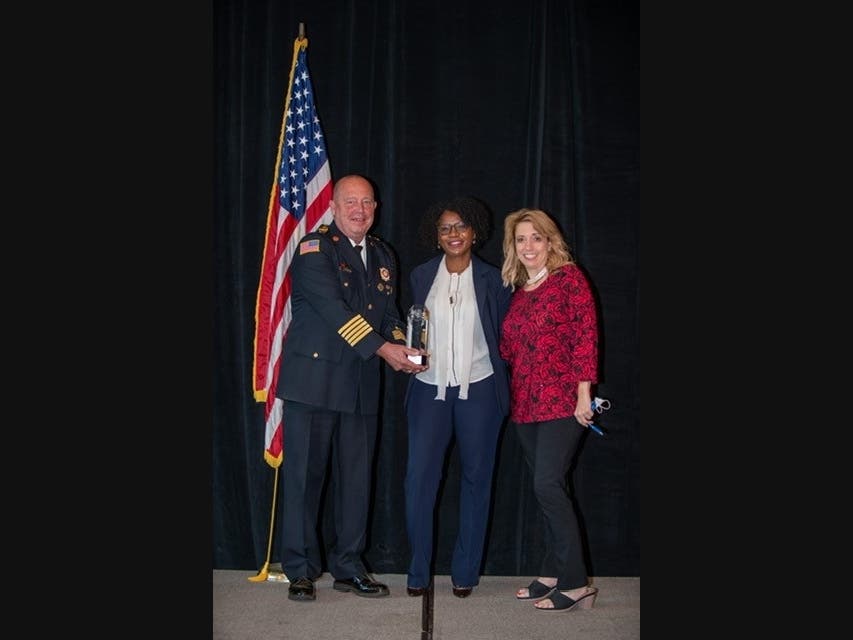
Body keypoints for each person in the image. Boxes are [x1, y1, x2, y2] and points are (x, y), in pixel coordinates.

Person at [276, 174, 428, 602]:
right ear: (335, 207)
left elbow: (389, 314)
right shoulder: (314, 249)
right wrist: (385, 350)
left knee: (357, 482)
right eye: (350, 202)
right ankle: (300, 570)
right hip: (314, 384)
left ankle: (348, 565)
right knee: (305, 480)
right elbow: (335, 312)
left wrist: (404, 343)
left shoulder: (382, 253)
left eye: (367, 202)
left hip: (360, 386)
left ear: (375, 208)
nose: (359, 210)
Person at [403, 196, 512, 599]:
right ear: (436, 234)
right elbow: (409, 329)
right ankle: (418, 570)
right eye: (446, 227)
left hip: (480, 390)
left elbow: (506, 337)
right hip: (428, 391)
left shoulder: (495, 279)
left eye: (461, 226)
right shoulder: (419, 276)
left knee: (476, 480)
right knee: (418, 481)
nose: (454, 234)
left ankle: (465, 572)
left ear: (475, 233)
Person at [498, 208, 600, 612]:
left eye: (535, 238)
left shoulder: (569, 279)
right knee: (547, 490)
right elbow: (509, 349)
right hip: (525, 405)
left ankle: (577, 583)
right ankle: (554, 570)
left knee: (547, 485)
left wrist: (583, 393)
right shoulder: (520, 292)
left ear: (550, 241)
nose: (528, 246)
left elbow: (586, 336)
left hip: (562, 401)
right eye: (521, 239)